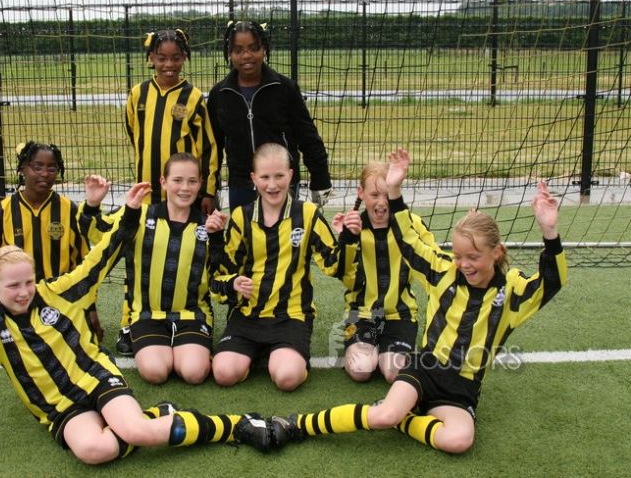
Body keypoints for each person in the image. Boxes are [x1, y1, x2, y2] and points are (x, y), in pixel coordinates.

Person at [235, 148, 568, 454]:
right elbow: (408, 239)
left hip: (462, 388)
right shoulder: (443, 271)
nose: (464, 264)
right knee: (379, 407)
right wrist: (393, 192)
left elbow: (551, 283)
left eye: (473, 257)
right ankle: (298, 424)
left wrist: (549, 231)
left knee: (459, 441)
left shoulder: (511, 291)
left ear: (496, 254)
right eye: (459, 256)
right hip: (425, 369)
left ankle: (402, 417)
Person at [0, 183, 245, 465]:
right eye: (13, 286)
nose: (24, 292)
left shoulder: (58, 292)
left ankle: (236, 426)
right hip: (61, 406)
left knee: (137, 432)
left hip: (96, 378)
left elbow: (99, 258)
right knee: (94, 451)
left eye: (29, 282)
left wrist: (129, 213)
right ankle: (159, 415)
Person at [210, 143, 358, 392]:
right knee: (223, 374)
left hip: (291, 317)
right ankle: (255, 354)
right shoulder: (240, 217)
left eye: (279, 176)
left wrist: (348, 237)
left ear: (290, 175)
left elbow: (334, 266)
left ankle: (282, 356)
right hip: (248, 315)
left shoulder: (307, 214)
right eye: (265, 177)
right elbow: (220, 277)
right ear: (253, 179)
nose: (272, 185)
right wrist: (233, 282)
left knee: (287, 378)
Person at [83, 153, 226, 384]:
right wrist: (92, 205)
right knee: (155, 372)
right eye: (177, 180)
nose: (184, 188)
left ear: (200, 183)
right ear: (163, 182)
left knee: (194, 373)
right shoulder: (139, 214)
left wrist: (217, 238)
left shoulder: (206, 225)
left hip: (192, 315)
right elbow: (100, 236)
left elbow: (220, 277)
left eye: (192, 181)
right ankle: (151, 343)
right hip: (148, 315)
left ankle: (189, 349)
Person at [207, 20, 332, 209]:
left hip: (281, 182)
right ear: (229, 53)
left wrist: (320, 178)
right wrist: (209, 190)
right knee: (244, 228)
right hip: (241, 185)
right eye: (238, 50)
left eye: (254, 48)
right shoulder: (220, 94)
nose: (246, 55)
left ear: (264, 49)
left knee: (284, 228)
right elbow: (212, 147)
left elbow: (308, 137)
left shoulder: (285, 88)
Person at [332, 161, 437, 383]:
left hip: (401, 314)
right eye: (374, 195)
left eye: (387, 195)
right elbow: (346, 279)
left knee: (393, 372)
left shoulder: (411, 225)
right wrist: (347, 239)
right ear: (361, 193)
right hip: (360, 314)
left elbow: (435, 264)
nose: (381, 202)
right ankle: (362, 347)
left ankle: (388, 350)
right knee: (361, 370)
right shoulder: (354, 228)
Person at [0, 141, 104, 340]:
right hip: (18, 302)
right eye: (37, 166)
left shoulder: (69, 210)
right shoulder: (3, 211)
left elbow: (84, 264)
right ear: (23, 169)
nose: (45, 173)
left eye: (52, 168)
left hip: (61, 300)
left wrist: (90, 308)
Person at [125, 29, 220, 214]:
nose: (169, 64)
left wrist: (208, 192)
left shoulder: (193, 97)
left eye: (175, 58)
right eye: (162, 58)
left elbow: (208, 147)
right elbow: (133, 133)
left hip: (183, 193)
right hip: (147, 191)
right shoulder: (138, 94)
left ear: (184, 57)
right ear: (152, 58)